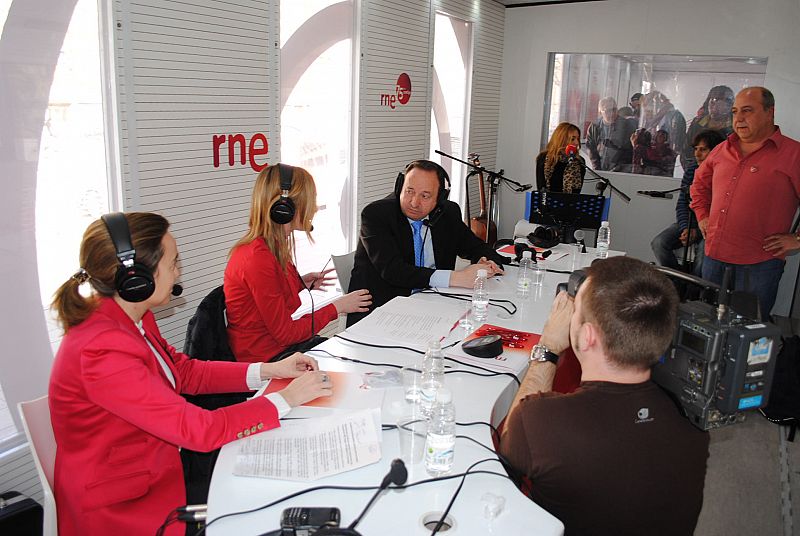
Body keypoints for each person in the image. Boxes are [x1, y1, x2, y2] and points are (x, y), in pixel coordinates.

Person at [49, 212, 332, 536]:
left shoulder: (130, 317)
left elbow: (182, 372)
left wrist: (270, 370)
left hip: (152, 467)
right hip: (122, 507)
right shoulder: (102, 351)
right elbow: (199, 430)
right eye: (172, 264)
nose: (179, 272)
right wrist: (287, 397)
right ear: (136, 279)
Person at [499, 257, 709, 536]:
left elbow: (506, 448)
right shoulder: (693, 427)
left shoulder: (542, 421)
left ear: (587, 336)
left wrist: (547, 347)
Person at [225, 164, 372, 362]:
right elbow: (286, 334)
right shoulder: (257, 258)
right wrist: (337, 307)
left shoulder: (274, 246)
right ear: (284, 208)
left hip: (277, 348)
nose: (314, 207)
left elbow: (270, 301)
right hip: (265, 360)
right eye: (309, 200)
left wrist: (300, 284)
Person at [347, 159, 505, 326]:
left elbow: (475, 246)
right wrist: (456, 278)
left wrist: (488, 262)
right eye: (409, 191)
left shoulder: (447, 213)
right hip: (382, 313)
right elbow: (393, 270)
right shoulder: (376, 215)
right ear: (400, 186)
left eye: (425, 195)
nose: (414, 202)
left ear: (440, 198)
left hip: (435, 307)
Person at [690, 87, 800, 320]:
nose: (738, 118)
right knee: (707, 326)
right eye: (735, 111)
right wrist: (702, 215)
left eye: (747, 111)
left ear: (770, 112)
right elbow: (698, 185)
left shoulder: (793, 154)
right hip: (715, 258)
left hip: (759, 263)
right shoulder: (721, 150)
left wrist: (797, 239)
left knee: (748, 332)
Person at [651, 129, 726, 272]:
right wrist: (686, 227)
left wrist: (696, 232)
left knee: (703, 256)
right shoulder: (692, 170)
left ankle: (694, 290)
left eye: (703, 150)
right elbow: (682, 204)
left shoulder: (724, 173)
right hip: (689, 222)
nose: (697, 154)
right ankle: (678, 282)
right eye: (696, 149)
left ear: (716, 151)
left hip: (710, 227)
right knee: (659, 243)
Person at [682, 85, 734, 168]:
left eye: (722, 102)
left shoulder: (736, 126)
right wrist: (693, 171)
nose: (715, 106)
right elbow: (686, 151)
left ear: (730, 105)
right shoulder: (697, 123)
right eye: (713, 101)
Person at [637, 90, 686, 175]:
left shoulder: (674, 118)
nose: (646, 112)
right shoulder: (653, 121)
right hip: (649, 167)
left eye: (648, 107)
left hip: (664, 169)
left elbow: (675, 148)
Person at [585, 97, 635, 172]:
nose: (612, 113)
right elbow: (591, 148)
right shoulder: (594, 127)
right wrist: (596, 168)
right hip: (601, 168)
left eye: (614, 109)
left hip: (622, 170)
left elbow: (630, 150)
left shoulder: (627, 126)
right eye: (608, 110)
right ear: (600, 112)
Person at [535, 122, 586, 193]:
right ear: (562, 139)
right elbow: (541, 187)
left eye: (578, 139)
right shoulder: (543, 158)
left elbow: (576, 192)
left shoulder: (579, 161)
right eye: (573, 139)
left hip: (568, 203)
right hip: (547, 202)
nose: (577, 143)